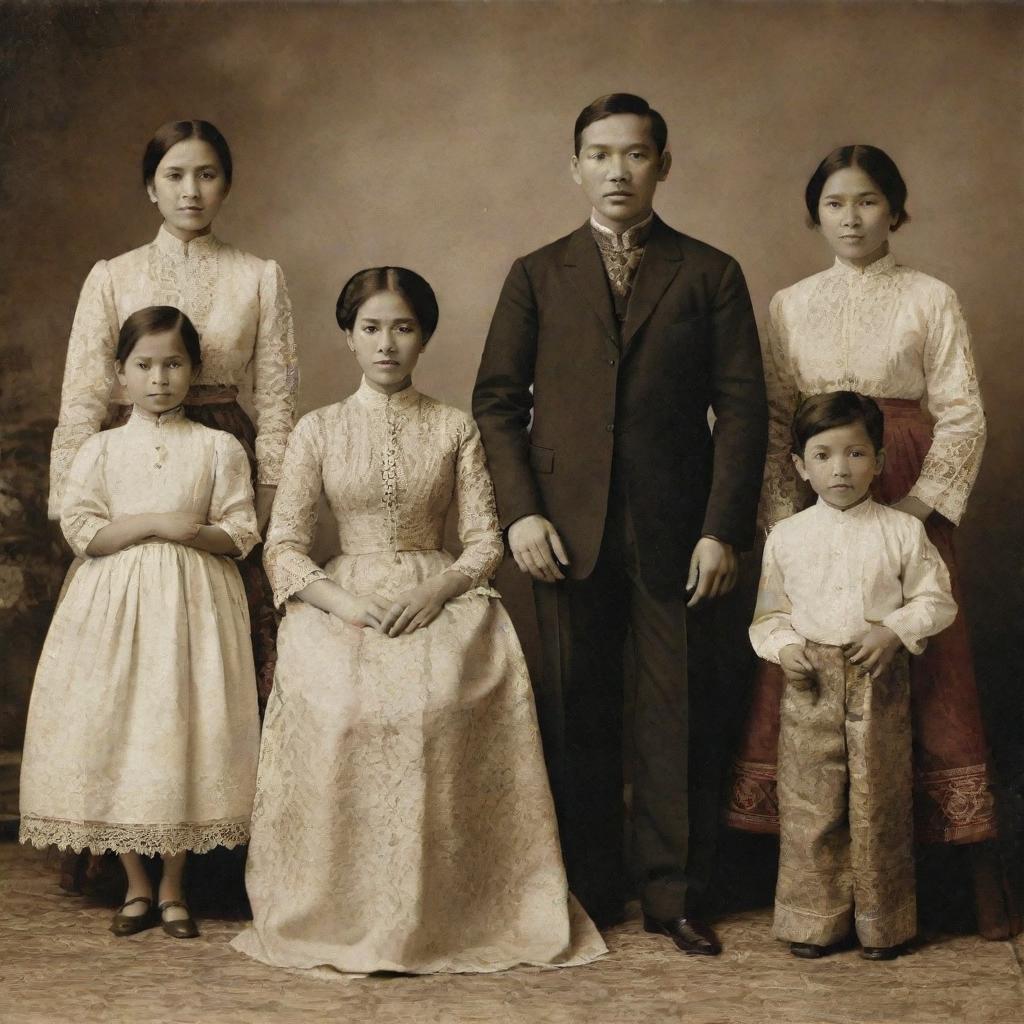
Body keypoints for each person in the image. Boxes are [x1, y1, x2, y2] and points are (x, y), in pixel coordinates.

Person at [231, 268, 606, 975]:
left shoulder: (452, 426)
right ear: (347, 335)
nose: (386, 344)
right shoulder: (318, 429)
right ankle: (341, 909)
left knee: (435, 705)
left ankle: (454, 910)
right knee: (345, 706)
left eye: (403, 328)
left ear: (424, 336)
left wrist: (437, 592)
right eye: (371, 328)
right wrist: (344, 605)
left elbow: (486, 541)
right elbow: (282, 545)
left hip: (439, 594)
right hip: (345, 597)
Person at [472, 94, 768, 955]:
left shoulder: (710, 272)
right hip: (562, 529)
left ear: (663, 166)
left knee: (675, 714)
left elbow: (742, 411)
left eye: (635, 155)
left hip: (678, 531)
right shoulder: (537, 272)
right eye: (599, 154)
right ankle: (587, 885)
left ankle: (673, 893)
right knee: (576, 708)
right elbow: (496, 403)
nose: (616, 171)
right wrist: (521, 513)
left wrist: (724, 528)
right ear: (574, 167)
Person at [724, 144, 1019, 939]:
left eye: (867, 203)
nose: (851, 218)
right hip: (820, 488)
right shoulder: (789, 303)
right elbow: (783, 418)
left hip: (906, 485)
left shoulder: (930, 297)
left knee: (924, 663)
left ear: (896, 210)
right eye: (834, 204)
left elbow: (962, 411)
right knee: (819, 667)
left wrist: (917, 509)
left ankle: (955, 878)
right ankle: (814, 881)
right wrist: (788, 520)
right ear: (815, 213)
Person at [20, 306, 261, 938]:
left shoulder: (218, 447)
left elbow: (241, 530)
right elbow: (81, 528)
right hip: (115, 611)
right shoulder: (100, 449)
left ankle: (176, 888)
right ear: (121, 375)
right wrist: (152, 525)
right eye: (145, 366)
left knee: (183, 728)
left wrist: (200, 533)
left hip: (195, 609)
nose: (160, 379)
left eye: (174, 364)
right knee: (123, 728)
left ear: (195, 370)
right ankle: (135, 883)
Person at [49, 119, 296, 713]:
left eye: (206, 175)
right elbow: (84, 393)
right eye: (175, 175)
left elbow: (279, 398)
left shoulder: (258, 275)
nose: (191, 191)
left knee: (234, 632)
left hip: (225, 454)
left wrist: (271, 492)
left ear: (226, 186)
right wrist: (69, 495)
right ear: (150, 189)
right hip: (131, 457)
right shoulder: (113, 275)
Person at [751, 392, 957, 960]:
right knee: (812, 802)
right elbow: (769, 615)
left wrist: (891, 631)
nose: (840, 468)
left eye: (855, 453)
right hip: (809, 684)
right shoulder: (787, 536)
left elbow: (936, 600)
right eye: (823, 455)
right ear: (799, 465)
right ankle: (814, 923)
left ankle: (880, 924)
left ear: (881, 460)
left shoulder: (900, 532)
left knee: (877, 799)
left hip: (877, 677)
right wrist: (786, 647)